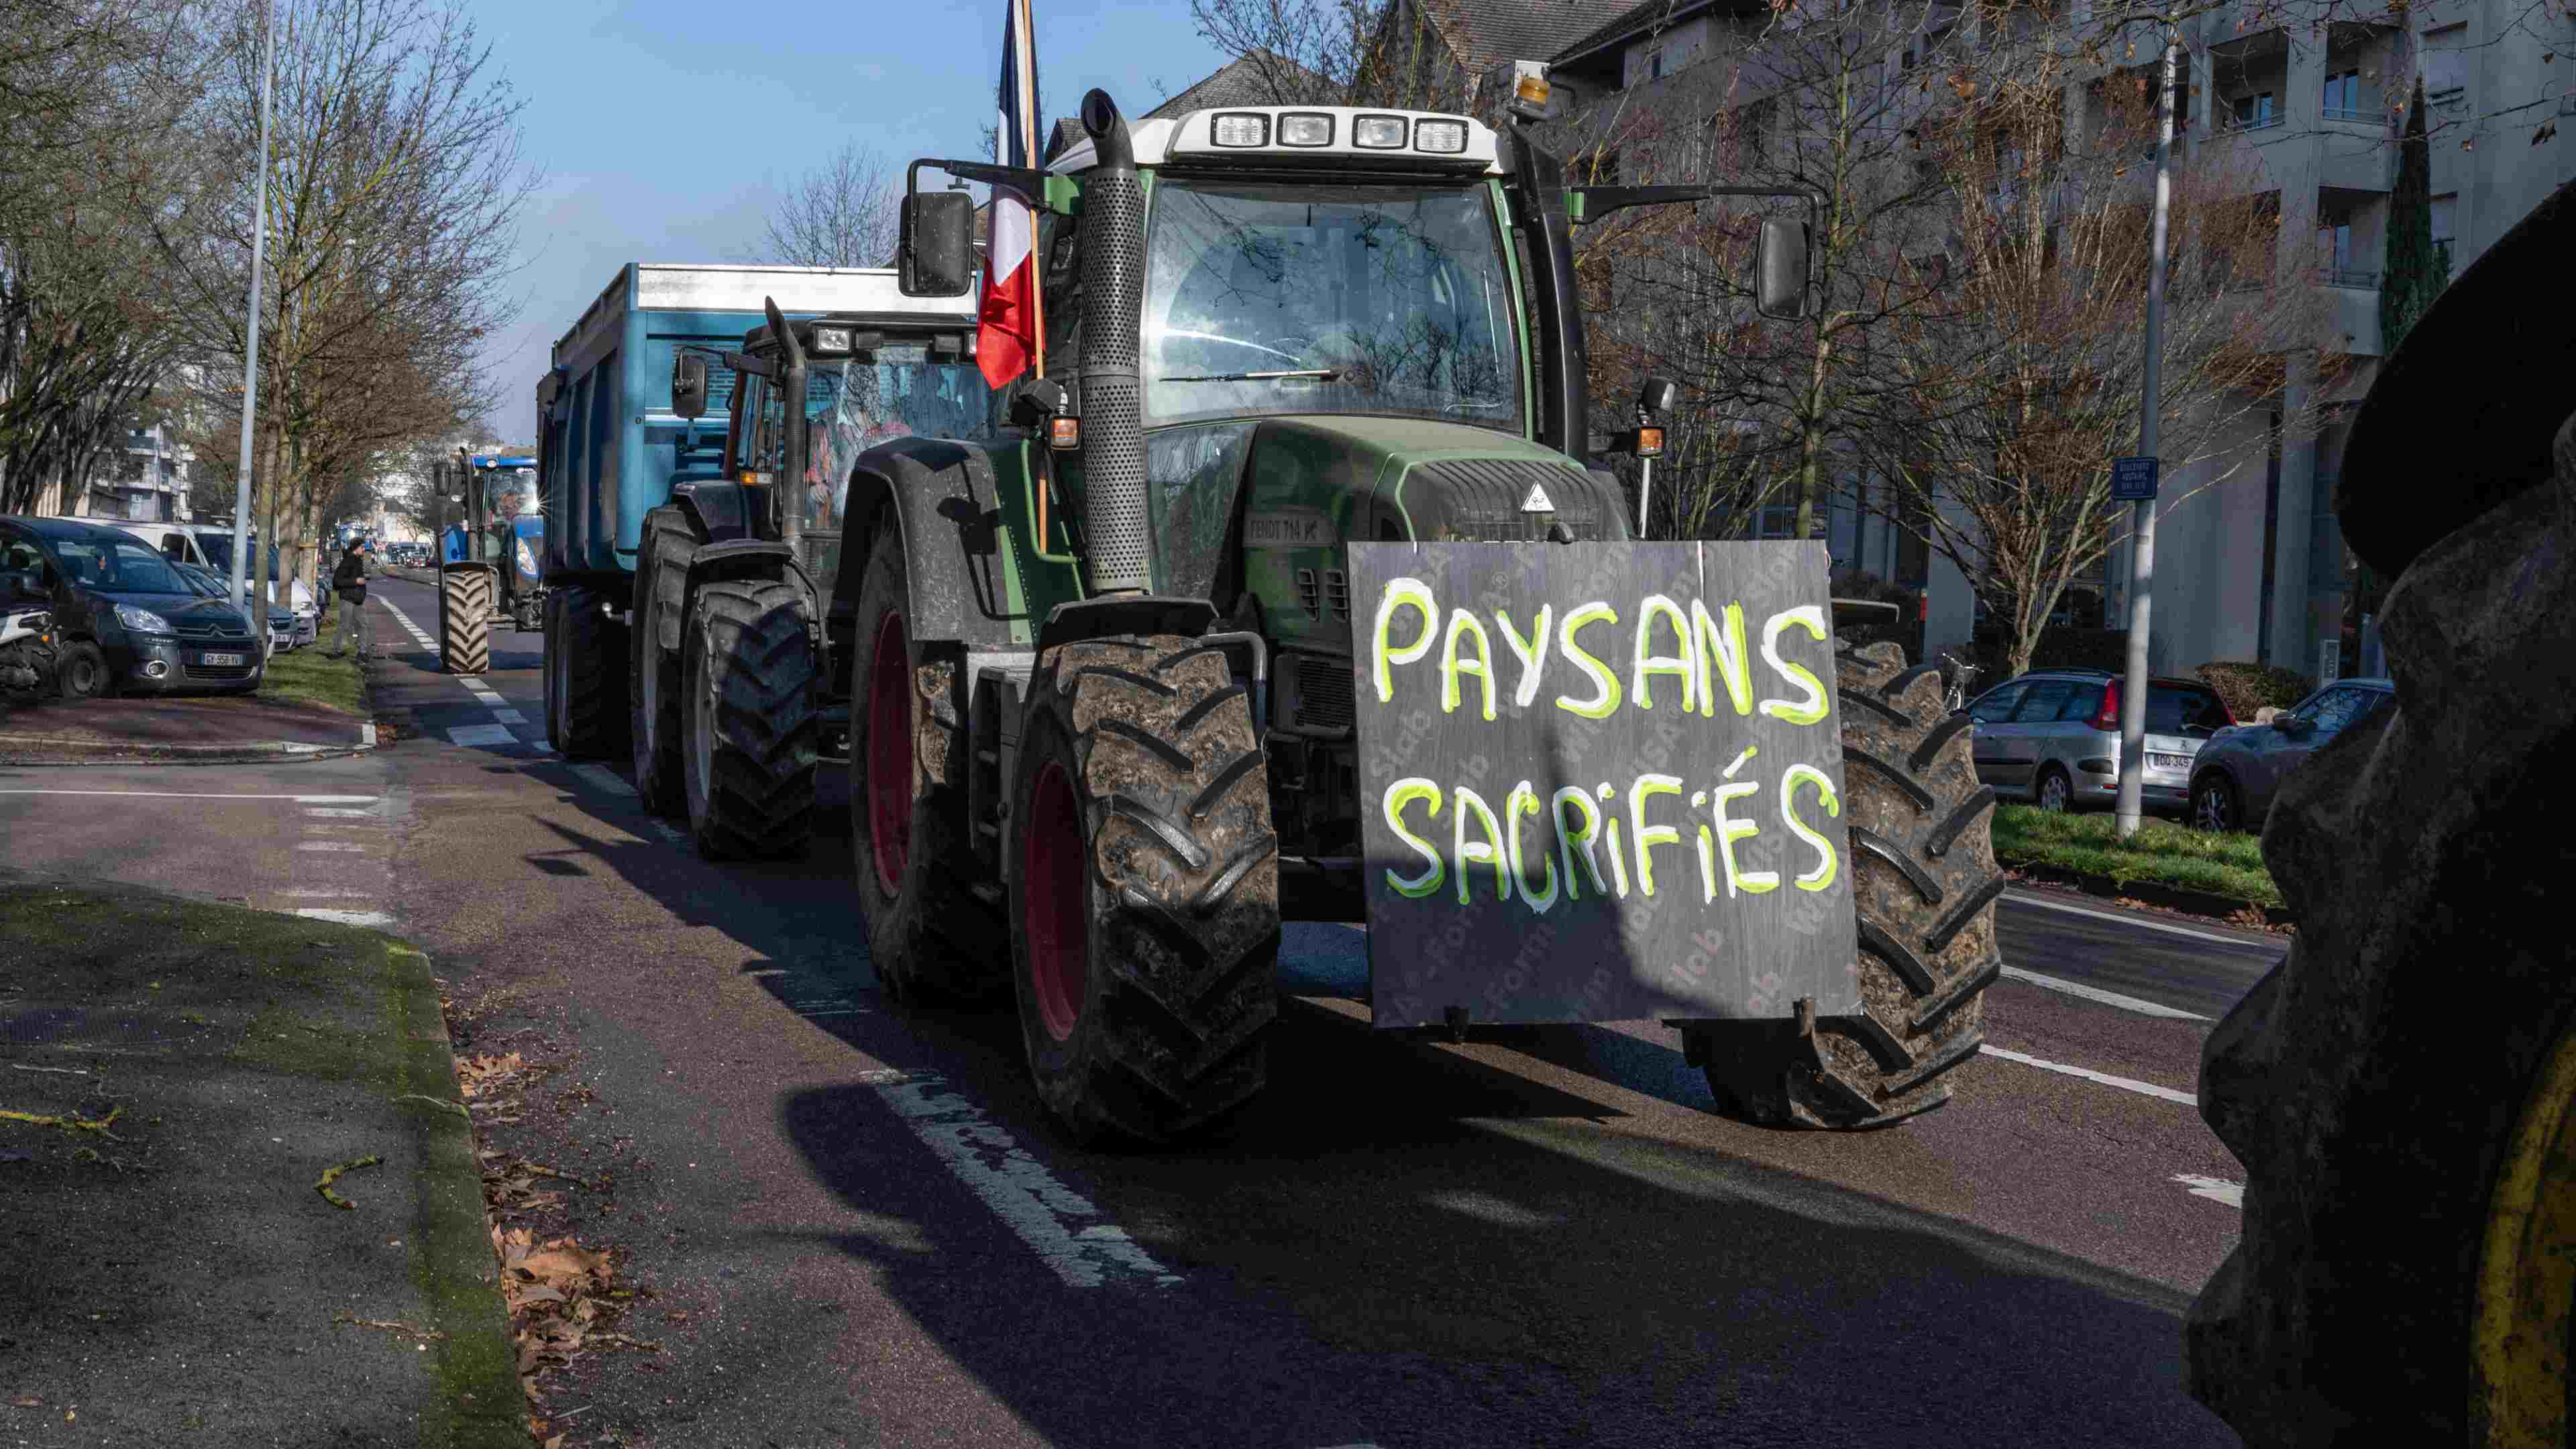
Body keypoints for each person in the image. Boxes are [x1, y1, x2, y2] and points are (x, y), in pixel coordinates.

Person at [327, 541, 369, 658]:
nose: (364, 550)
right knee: (345, 625)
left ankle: (362, 651)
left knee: (363, 624)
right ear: (356, 548)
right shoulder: (347, 561)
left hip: (359, 599)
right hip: (348, 599)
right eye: (362, 547)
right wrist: (355, 581)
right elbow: (337, 581)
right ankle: (337, 650)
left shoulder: (359, 561)